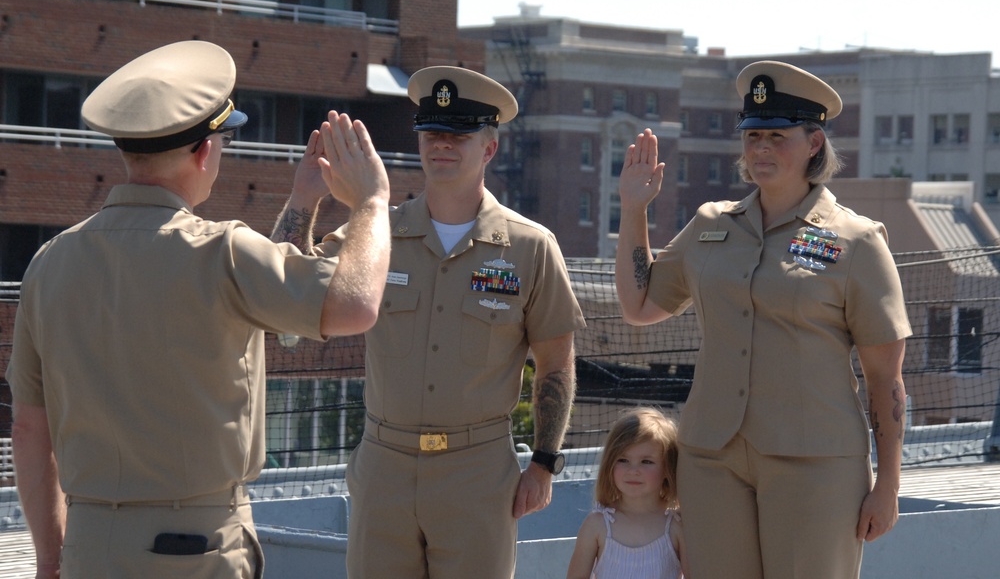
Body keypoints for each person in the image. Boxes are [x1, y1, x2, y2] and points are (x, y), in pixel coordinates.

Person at [6, 40, 391, 578]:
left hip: (90, 547)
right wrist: (371, 202)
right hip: (196, 546)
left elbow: (28, 428)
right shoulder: (222, 251)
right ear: (205, 152)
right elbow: (354, 304)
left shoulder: (49, 262)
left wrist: (51, 557)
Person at [271, 65, 586, 578]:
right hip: (384, 468)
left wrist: (545, 462)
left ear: (488, 149)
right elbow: (285, 299)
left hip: (478, 473)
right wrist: (304, 198)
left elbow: (556, 363)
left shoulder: (530, 247)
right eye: (432, 133)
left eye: (457, 135)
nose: (442, 145)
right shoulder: (375, 234)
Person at [614, 61, 912, 579]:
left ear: (814, 142)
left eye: (778, 136)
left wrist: (887, 485)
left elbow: (886, 378)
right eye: (753, 136)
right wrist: (633, 208)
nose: (761, 149)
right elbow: (640, 306)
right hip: (713, 460)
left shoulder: (857, 241)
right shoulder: (711, 225)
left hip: (816, 464)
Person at [566, 407, 688, 579]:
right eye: (623, 460)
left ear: (667, 468)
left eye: (646, 461)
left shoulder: (677, 525)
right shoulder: (597, 525)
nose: (633, 470)